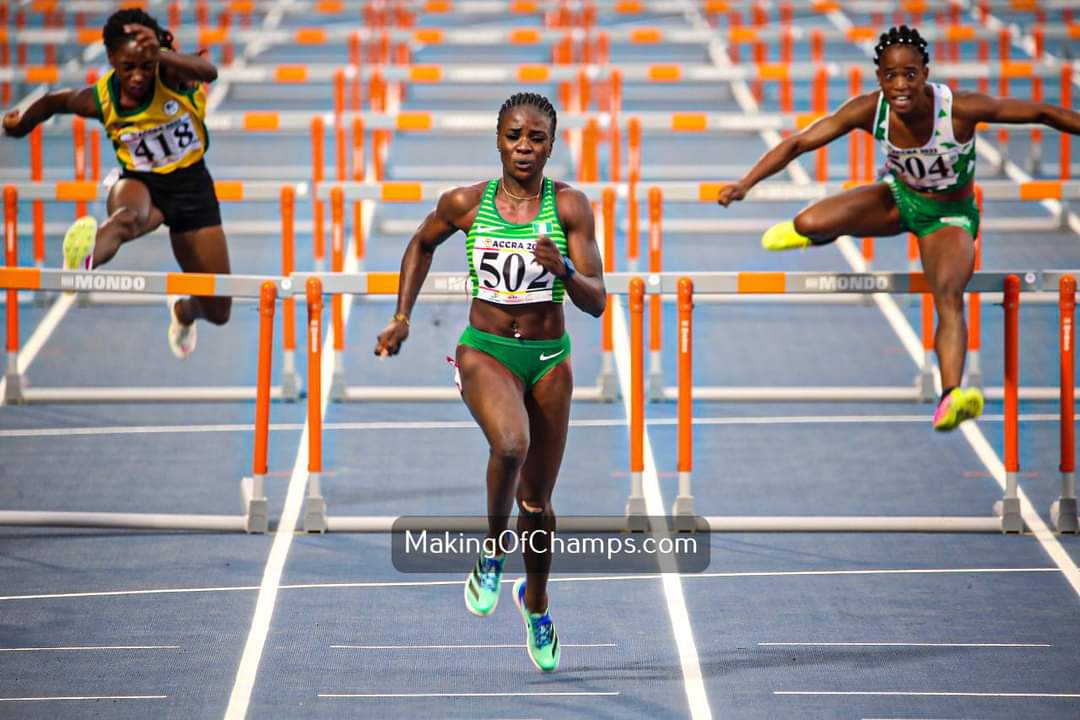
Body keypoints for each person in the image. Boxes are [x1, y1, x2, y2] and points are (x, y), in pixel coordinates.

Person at [717, 25, 1080, 431]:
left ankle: (951, 397)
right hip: (897, 200)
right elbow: (800, 143)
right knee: (808, 221)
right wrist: (745, 184)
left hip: (948, 217)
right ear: (880, 79)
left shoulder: (959, 108)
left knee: (948, 294)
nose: (901, 85)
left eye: (910, 74)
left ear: (926, 73)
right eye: (891, 76)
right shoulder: (869, 110)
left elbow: (1044, 113)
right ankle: (816, 235)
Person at [374, 92, 606, 672]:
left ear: (552, 145)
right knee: (510, 443)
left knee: (539, 504)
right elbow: (421, 244)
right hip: (485, 351)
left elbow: (598, 302)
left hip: (550, 359)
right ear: (497, 139)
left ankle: (537, 603)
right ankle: (493, 552)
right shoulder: (465, 203)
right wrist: (402, 317)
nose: (524, 148)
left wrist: (565, 271)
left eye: (536, 139)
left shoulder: (572, 208)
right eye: (514, 137)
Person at [2, 8, 230, 359]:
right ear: (111, 59)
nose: (138, 76)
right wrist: (23, 124)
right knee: (126, 219)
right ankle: (81, 261)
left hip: (192, 188)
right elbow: (53, 102)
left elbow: (209, 72)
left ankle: (183, 311)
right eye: (127, 67)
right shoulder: (102, 99)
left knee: (219, 311)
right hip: (141, 184)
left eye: (144, 66)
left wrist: (161, 55)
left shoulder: (170, 75)